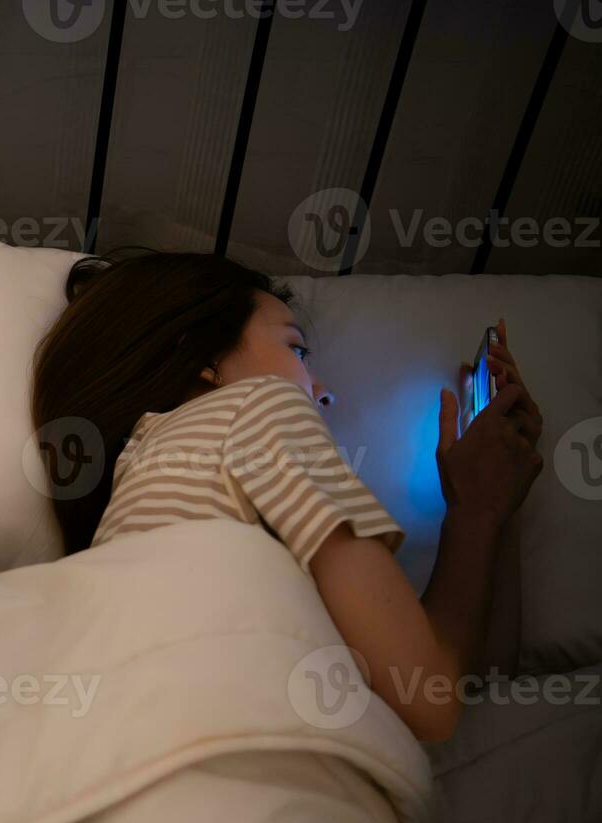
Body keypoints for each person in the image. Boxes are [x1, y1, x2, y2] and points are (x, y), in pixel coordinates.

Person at [31, 250, 544, 743]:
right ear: (204, 357)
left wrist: (494, 504)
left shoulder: (149, 478)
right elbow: (433, 699)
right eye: (296, 350)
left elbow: (478, 676)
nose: (322, 391)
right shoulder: (259, 405)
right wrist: (475, 512)